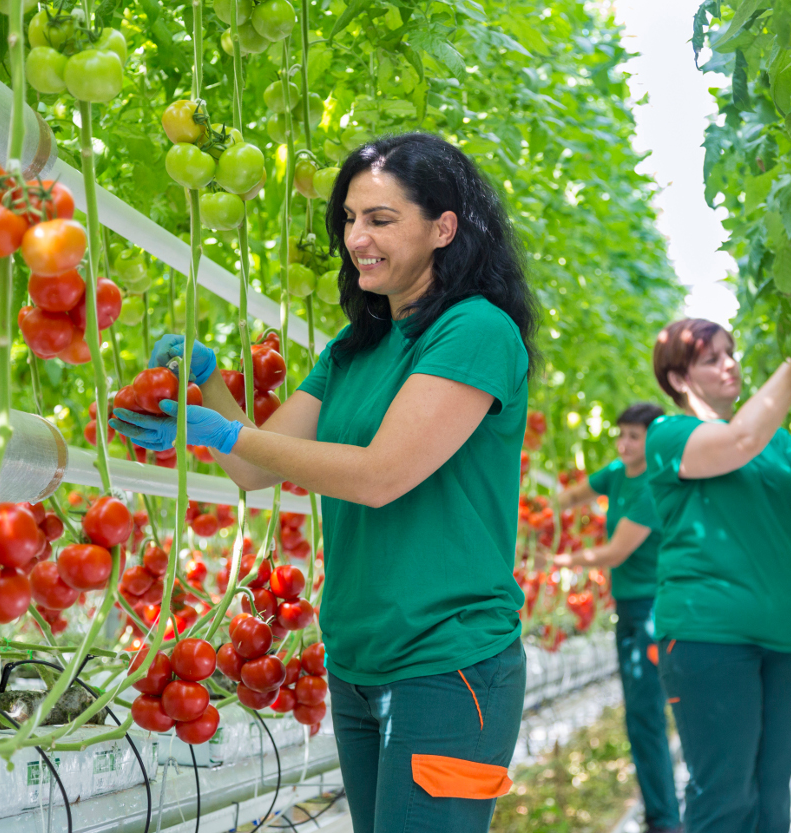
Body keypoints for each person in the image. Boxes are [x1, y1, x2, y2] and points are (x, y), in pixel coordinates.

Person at [111, 133, 537, 833]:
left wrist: (223, 432)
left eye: (380, 219)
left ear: (443, 228)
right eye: (348, 217)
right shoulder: (354, 347)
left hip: (448, 664)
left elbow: (380, 476)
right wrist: (210, 381)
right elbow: (255, 464)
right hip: (359, 660)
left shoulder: (476, 331)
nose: (356, 237)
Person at [645, 319, 791, 833]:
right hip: (706, 636)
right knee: (725, 792)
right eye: (711, 358)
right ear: (679, 380)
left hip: (788, 638)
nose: (729, 363)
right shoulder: (669, 435)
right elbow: (736, 441)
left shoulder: (776, 443)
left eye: (730, 353)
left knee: (772, 795)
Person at [556, 402, 681, 833]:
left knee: (646, 716)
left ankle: (665, 820)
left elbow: (615, 552)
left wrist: (559, 557)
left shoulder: (650, 486)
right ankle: (662, 814)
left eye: (634, 436)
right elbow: (573, 496)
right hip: (630, 611)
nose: (624, 443)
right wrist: (547, 508)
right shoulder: (617, 472)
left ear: (653, 441)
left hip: (650, 613)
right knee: (640, 716)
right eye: (621, 433)